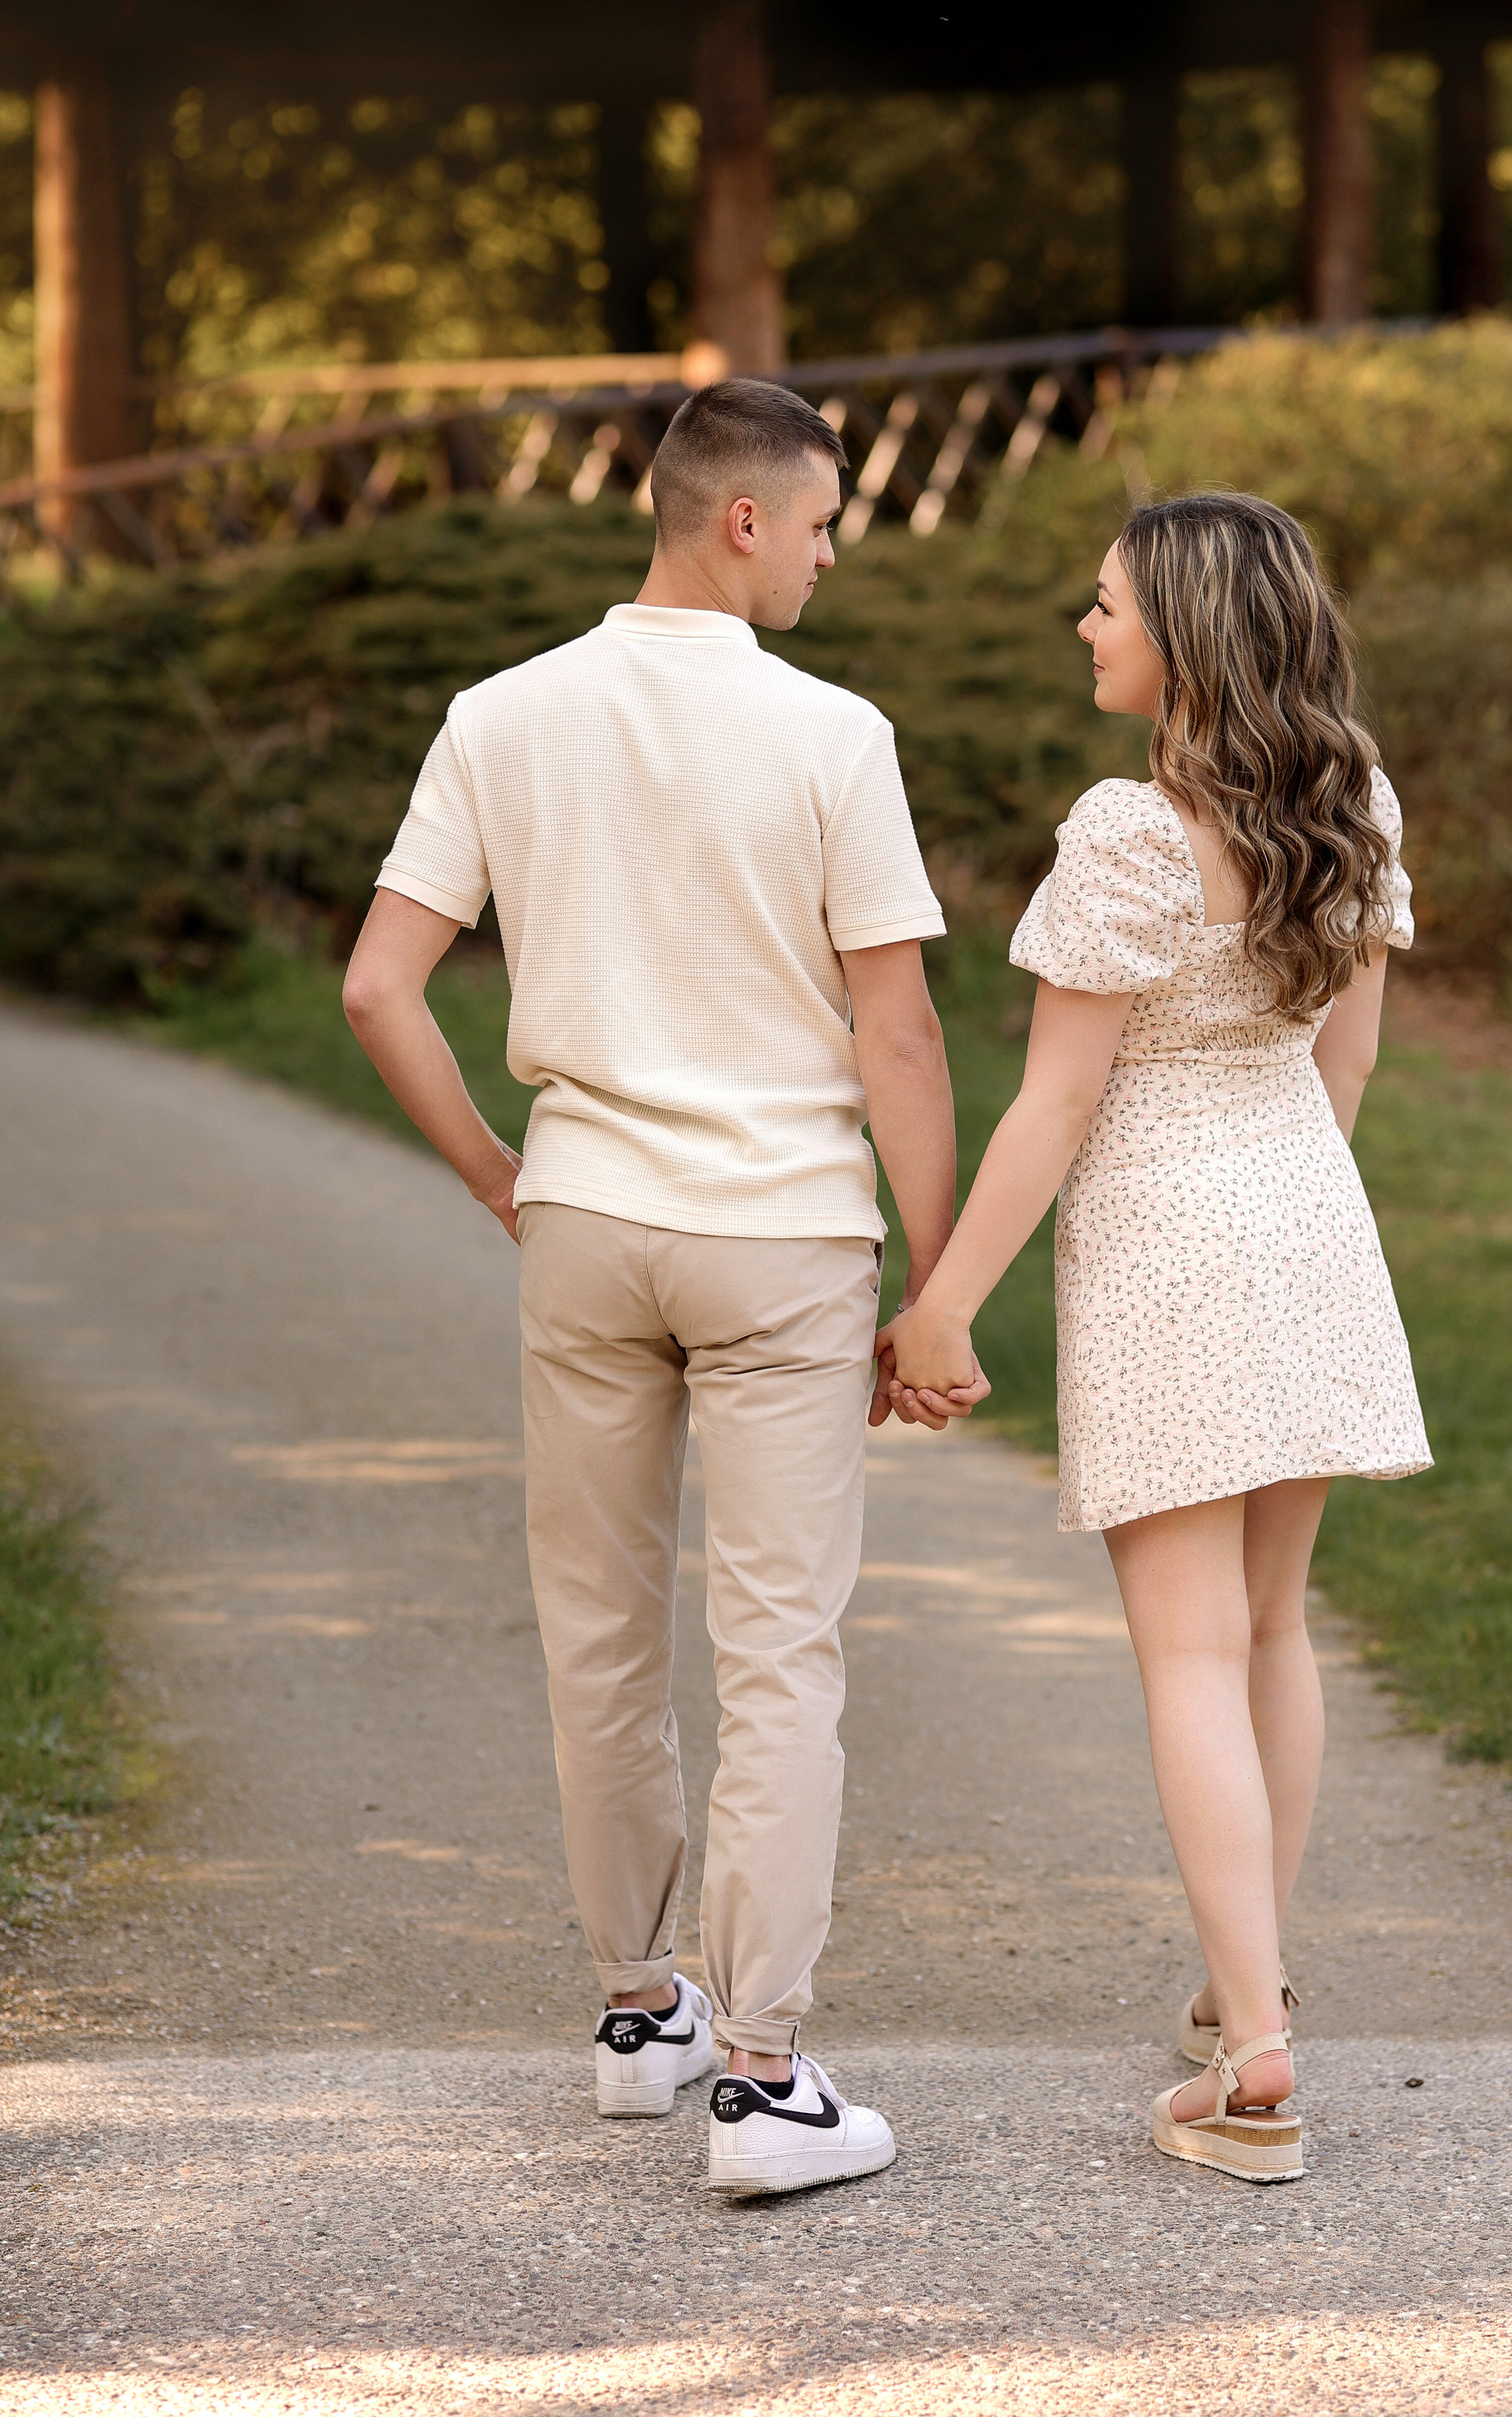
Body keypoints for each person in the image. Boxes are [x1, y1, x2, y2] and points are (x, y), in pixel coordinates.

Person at [343, 377, 982, 2197]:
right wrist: (933, 1288)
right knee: (777, 1646)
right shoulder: (833, 737)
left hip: (587, 1223)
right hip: (780, 1233)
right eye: (830, 519)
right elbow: (898, 1030)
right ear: (742, 521)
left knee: (598, 1628)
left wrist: (497, 1174)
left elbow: (380, 989)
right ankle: (764, 2083)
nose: (839, 552)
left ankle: (640, 2016)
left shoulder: (501, 714)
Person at [878, 491, 1431, 2184]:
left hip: (1170, 1236)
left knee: (1186, 1650)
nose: (1084, 624)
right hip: (1306, 1216)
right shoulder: (1350, 800)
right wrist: (1293, 1215)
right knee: (1271, 1629)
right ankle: (1235, 1978)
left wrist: (945, 1297)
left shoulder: (1127, 829)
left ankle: (1254, 2062)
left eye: (1104, 602)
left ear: (1183, 634)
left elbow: (1057, 1101)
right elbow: (1343, 1069)